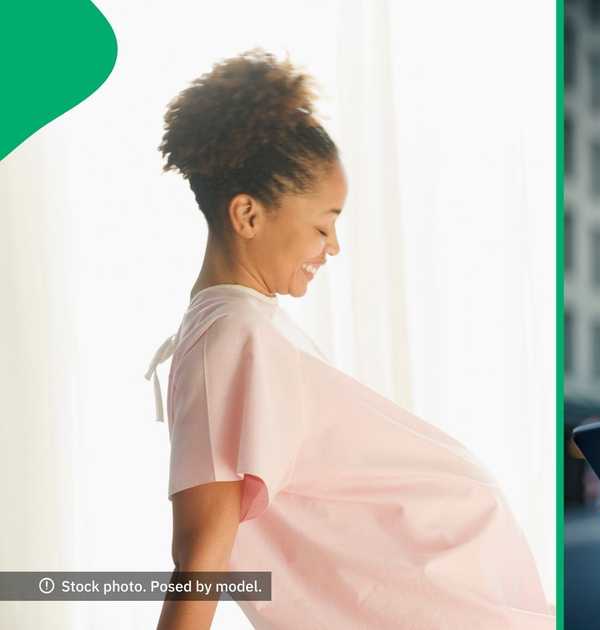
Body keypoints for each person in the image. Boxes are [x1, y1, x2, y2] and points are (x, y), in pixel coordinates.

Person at [145, 49, 552, 629]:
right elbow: (200, 556)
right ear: (248, 215)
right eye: (322, 224)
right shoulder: (233, 336)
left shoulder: (244, 327)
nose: (332, 247)